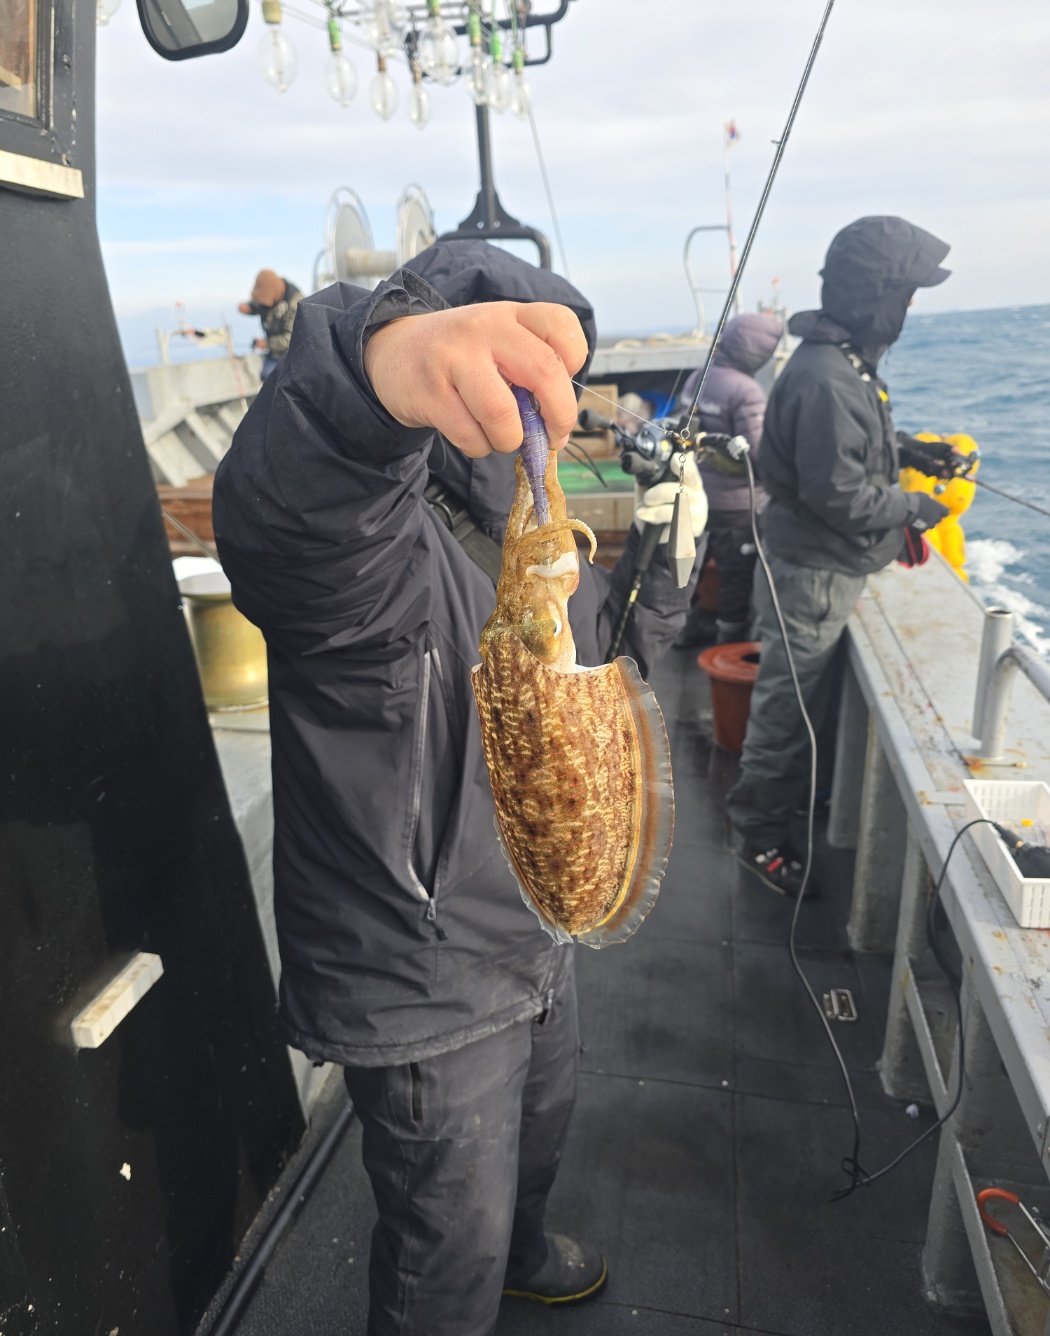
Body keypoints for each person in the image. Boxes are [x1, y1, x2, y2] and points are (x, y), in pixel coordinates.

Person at [212, 242, 705, 1336]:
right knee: (448, 1237)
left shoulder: (534, 527)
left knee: (542, 1130)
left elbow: (605, 666)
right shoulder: (367, 552)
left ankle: (525, 1251)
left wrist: (666, 563)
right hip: (424, 964)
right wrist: (374, 373)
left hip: (534, 924)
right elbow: (286, 522)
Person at [725, 216, 956, 897]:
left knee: (797, 703)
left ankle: (788, 803)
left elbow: (840, 449)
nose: (908, 306)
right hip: (814, 576)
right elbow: (840, 494)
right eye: (905, 294)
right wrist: (914, 506)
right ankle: (760, 837)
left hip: (812, 566)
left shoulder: (837, 362)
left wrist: (910, 451)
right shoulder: (827, 376)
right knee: (787, 710)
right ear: (875, 297)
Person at [676, 312, 784, 645]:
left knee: (690, 568)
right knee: (735, 572)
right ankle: (730, 639)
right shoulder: (746, 390)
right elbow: (757, 455)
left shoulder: (697, 377)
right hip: (736, 506)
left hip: (696, 495)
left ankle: (683, 630)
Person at [237, 268, 302, 380]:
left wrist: (267, 344)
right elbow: (263, 304)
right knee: (266, 376)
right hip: (274, 353)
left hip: (292, 356)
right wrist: (250, 308)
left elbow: (291, 339)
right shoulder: (271, 291)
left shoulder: (296, 304)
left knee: (272, 376)